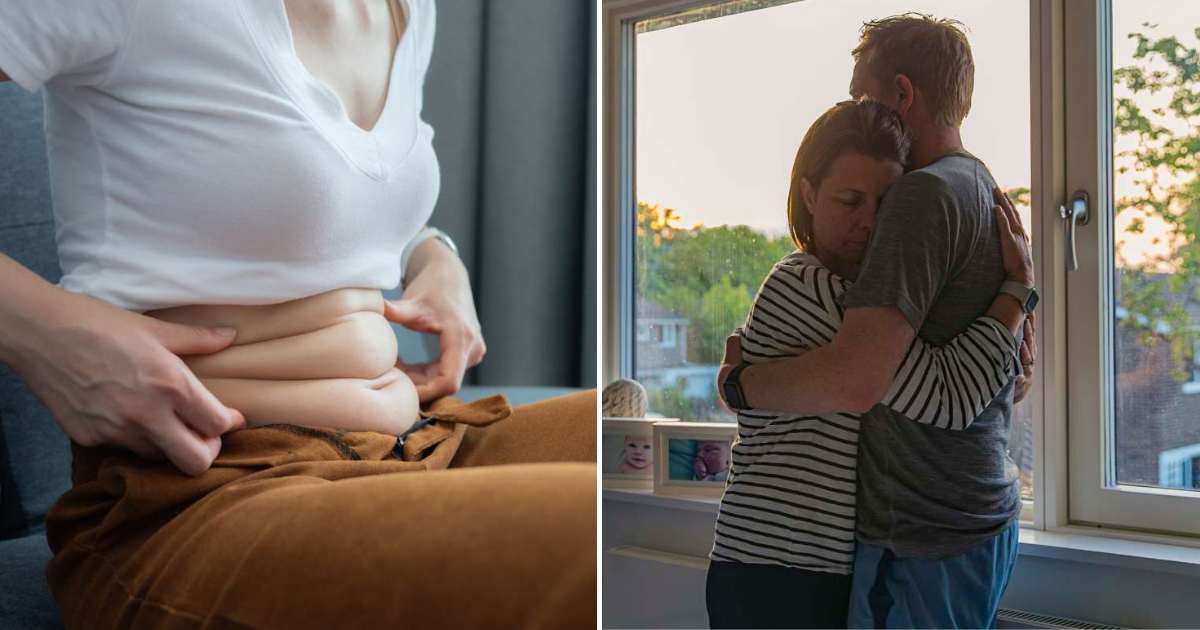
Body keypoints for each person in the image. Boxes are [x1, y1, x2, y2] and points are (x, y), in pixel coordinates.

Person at [0, 1, 595, 628]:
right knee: (585, 529)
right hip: (206, 492)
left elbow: (323, 191)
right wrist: (43, 333)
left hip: (419, 441)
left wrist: (434, 256)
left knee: (650, 453)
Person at [717, 14, 1038, 629]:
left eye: (860, 93)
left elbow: (861, 381)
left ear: (901, 92)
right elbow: (1018, 375)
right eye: (849, 201)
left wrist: (738, 384)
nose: (856, 109)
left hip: (918, 531)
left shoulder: (921, 196)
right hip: (974, 513)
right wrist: (1019, 297)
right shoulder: (987, 189)